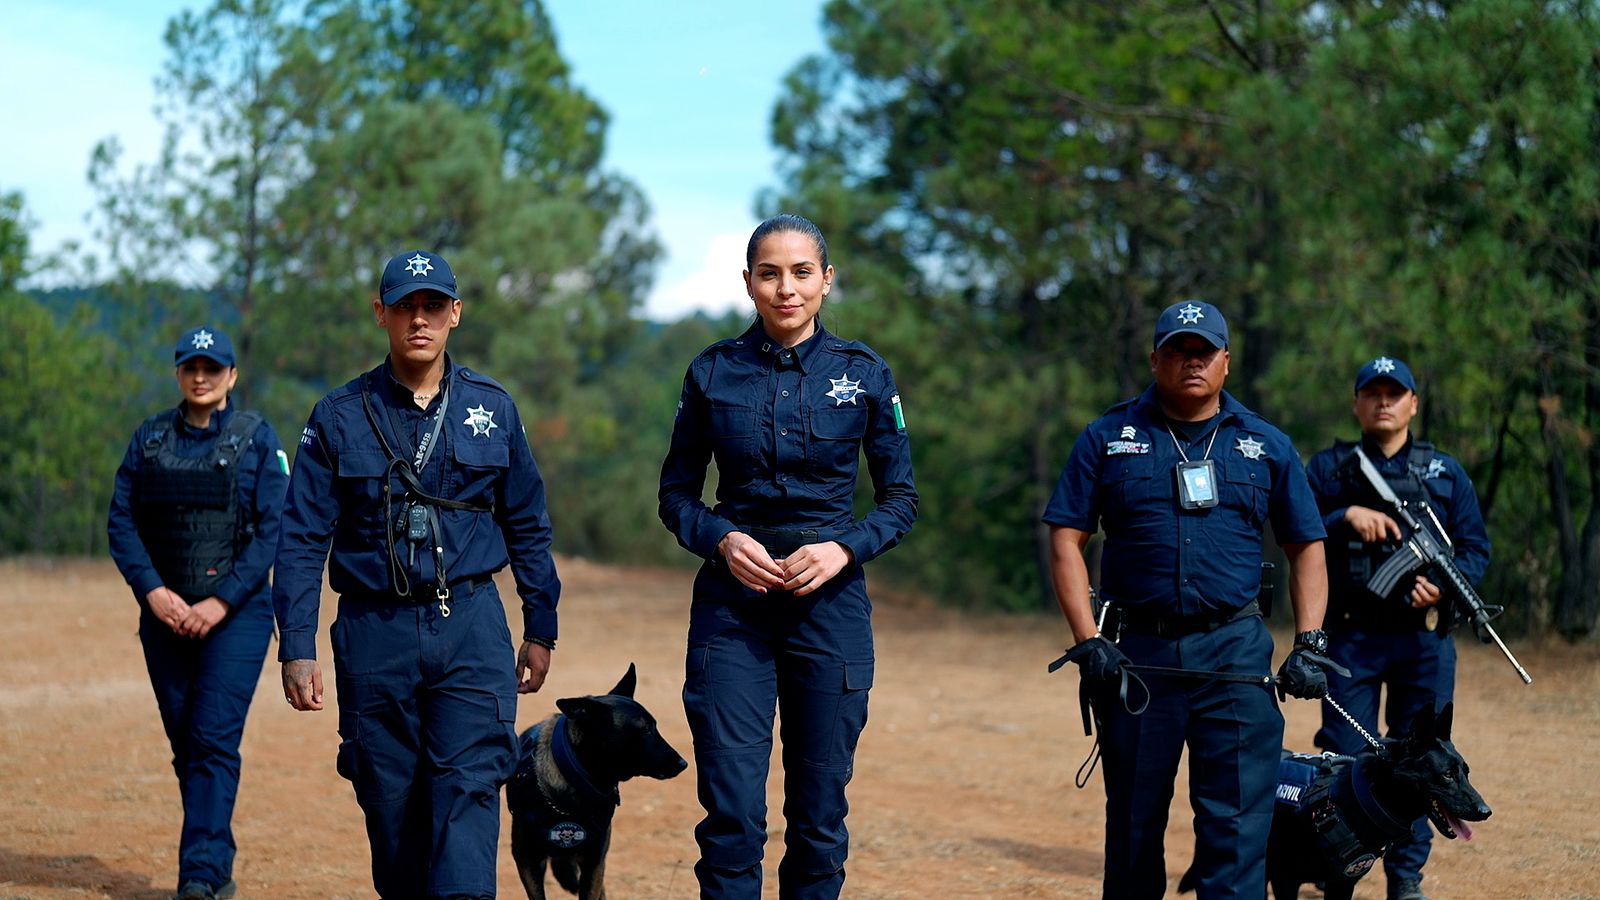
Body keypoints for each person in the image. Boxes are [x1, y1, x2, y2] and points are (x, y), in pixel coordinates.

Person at [273, 249, 561, 900]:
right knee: (390, 801)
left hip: (471, 629)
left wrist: (540, 625)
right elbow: (301, 538)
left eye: (433, 305)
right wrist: (296, 644)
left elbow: (528, 523)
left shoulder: (493, 407)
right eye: (405, 306)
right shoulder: (338, 416)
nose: (419, 319)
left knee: (468, 790)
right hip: (375, 632)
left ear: (455, 313)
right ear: (382, 314)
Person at [658, 213, 918, 899]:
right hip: (732, 615)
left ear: (826, 281)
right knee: (735, 817)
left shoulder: (865, 376)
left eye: (801, 272)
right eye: (769, 274)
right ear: (748, 282)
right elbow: (677, 495)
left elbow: (901, 500)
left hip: (829, 612)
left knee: (818, 820)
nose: (786, 288)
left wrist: (843, 549)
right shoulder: (712, 372)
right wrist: (721, 538)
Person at [1044, 300, 1336, 899]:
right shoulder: (1108, 437)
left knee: (1236, 832)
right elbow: (1066, 539)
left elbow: (1306, 545)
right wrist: (1087, 641)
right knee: (1132, 827)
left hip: (1234, 657)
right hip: (1139, 658)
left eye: (1204, 351)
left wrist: (1310, 641)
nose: (1191, 361)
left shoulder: (1267, 445)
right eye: (1177, 351)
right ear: (1156, 360)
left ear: (1226, 362)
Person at [108, 325, 288, 900]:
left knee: (211, 739)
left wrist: (220, 599)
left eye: (213, 367)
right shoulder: (149, 438)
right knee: (187, 743)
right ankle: (215, 856)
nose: (202, 376)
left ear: (232, 376)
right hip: (163, 616)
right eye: (192, 367)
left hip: (236, 618)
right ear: (179, 374)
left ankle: (202, 875)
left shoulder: (258, 440)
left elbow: (273, 529)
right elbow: (122, 522)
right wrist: (152, 591)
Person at [1306, 356, 1490, 900]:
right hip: (1350, 638)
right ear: (1357, 402)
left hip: (1423, 641)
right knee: (1344, 754)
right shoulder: (1329, 469)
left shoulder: (1445, 472)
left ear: (1414, 403)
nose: (1383, 401)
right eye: (1373, 392)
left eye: (1395, 393)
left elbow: (1475, 550)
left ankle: (1405, 879)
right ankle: (1338, 862)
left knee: (1425, 766)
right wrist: (1343, 517)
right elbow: (1289, 528)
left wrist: (1443, 587)